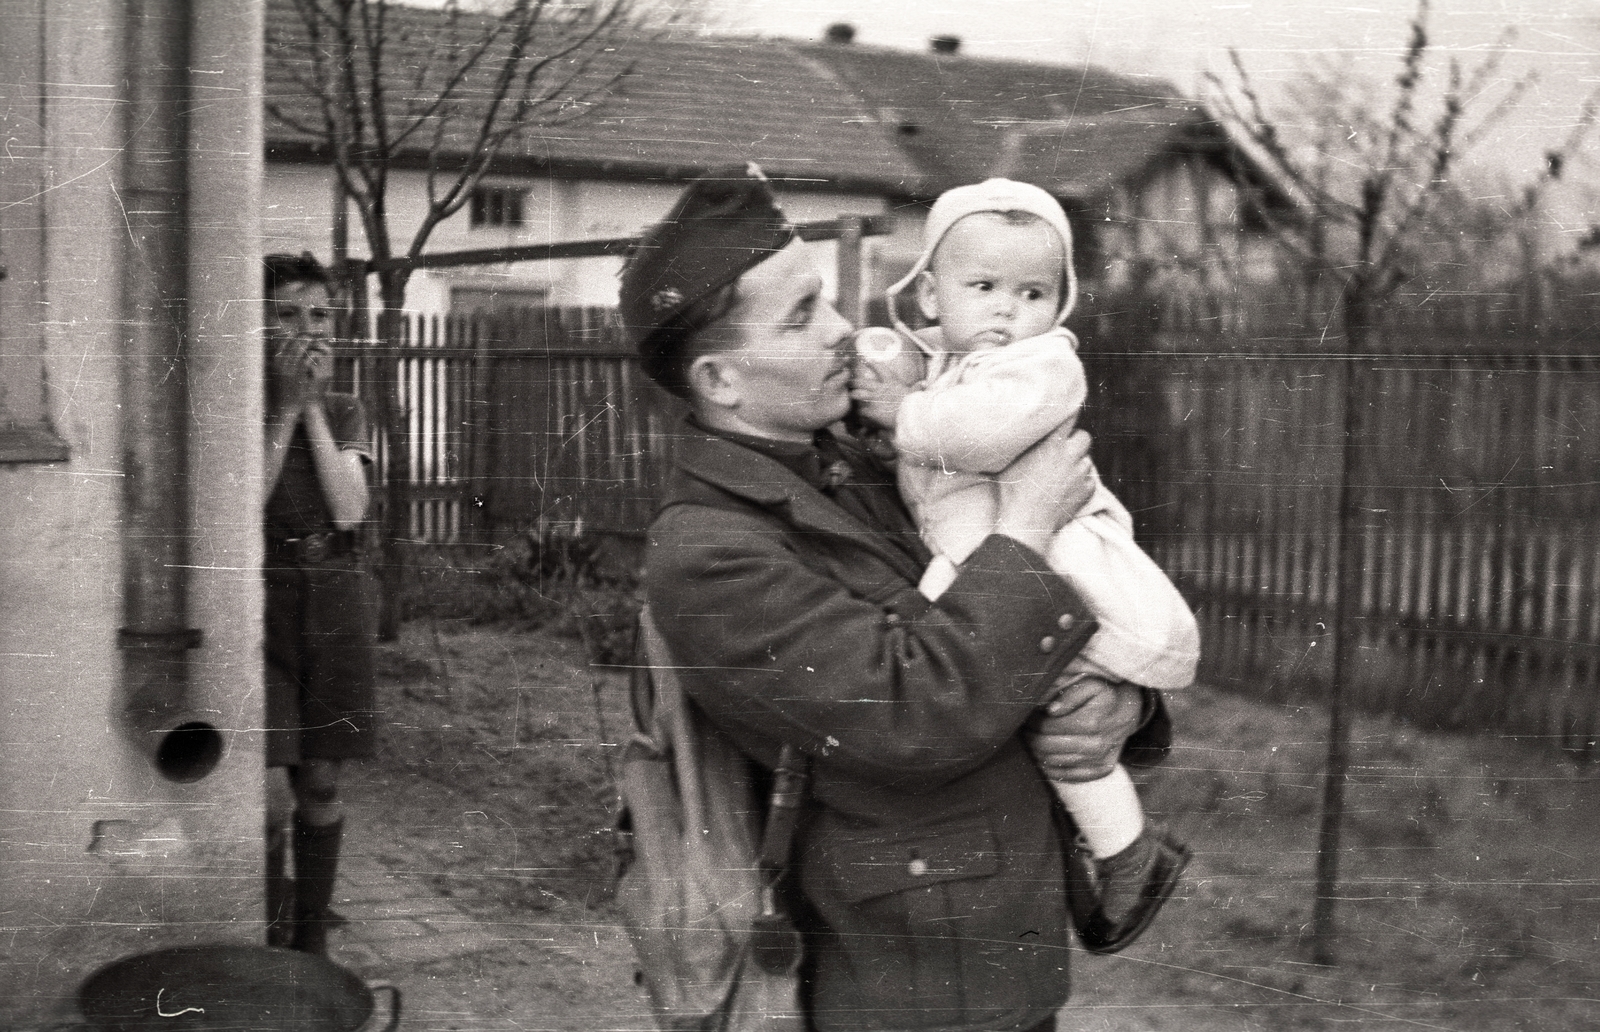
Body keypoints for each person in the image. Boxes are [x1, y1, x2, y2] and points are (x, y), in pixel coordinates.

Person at [619, 164, 1173, 1032]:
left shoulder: (863, 459)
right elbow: (909, 713)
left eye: (828, 299)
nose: (847, 329)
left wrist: (1120, 701)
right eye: (803, 315)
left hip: (997, 950)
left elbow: (1026, 623)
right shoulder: (708, 554)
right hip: (905, 981)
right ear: (721, 381)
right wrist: (1022, 531)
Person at [850, 177, 1197, 944]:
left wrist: (901, 415)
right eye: (984, 287)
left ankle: (1127, 853)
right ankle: (1126, 849)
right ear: (932, 298)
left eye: (1034, 292)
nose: (1010, 309)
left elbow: (978, 436)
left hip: (1058, 567)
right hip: (995, 564)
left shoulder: (1044, 367)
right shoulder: (947, 369)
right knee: (1039, 713)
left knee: (1060, 710)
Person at [260, 252, 379, 955]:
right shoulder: (244, 399)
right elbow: (244, 504)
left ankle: (310, 948)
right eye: (285, 316)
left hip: (332, 594)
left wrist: (309, 410)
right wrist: (281, 408)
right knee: (268, 796)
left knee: (324, 779)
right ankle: (270, 939)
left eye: (320, 316)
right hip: (265, 598)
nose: (307, 332)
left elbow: (349, 510)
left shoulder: (344, 407)